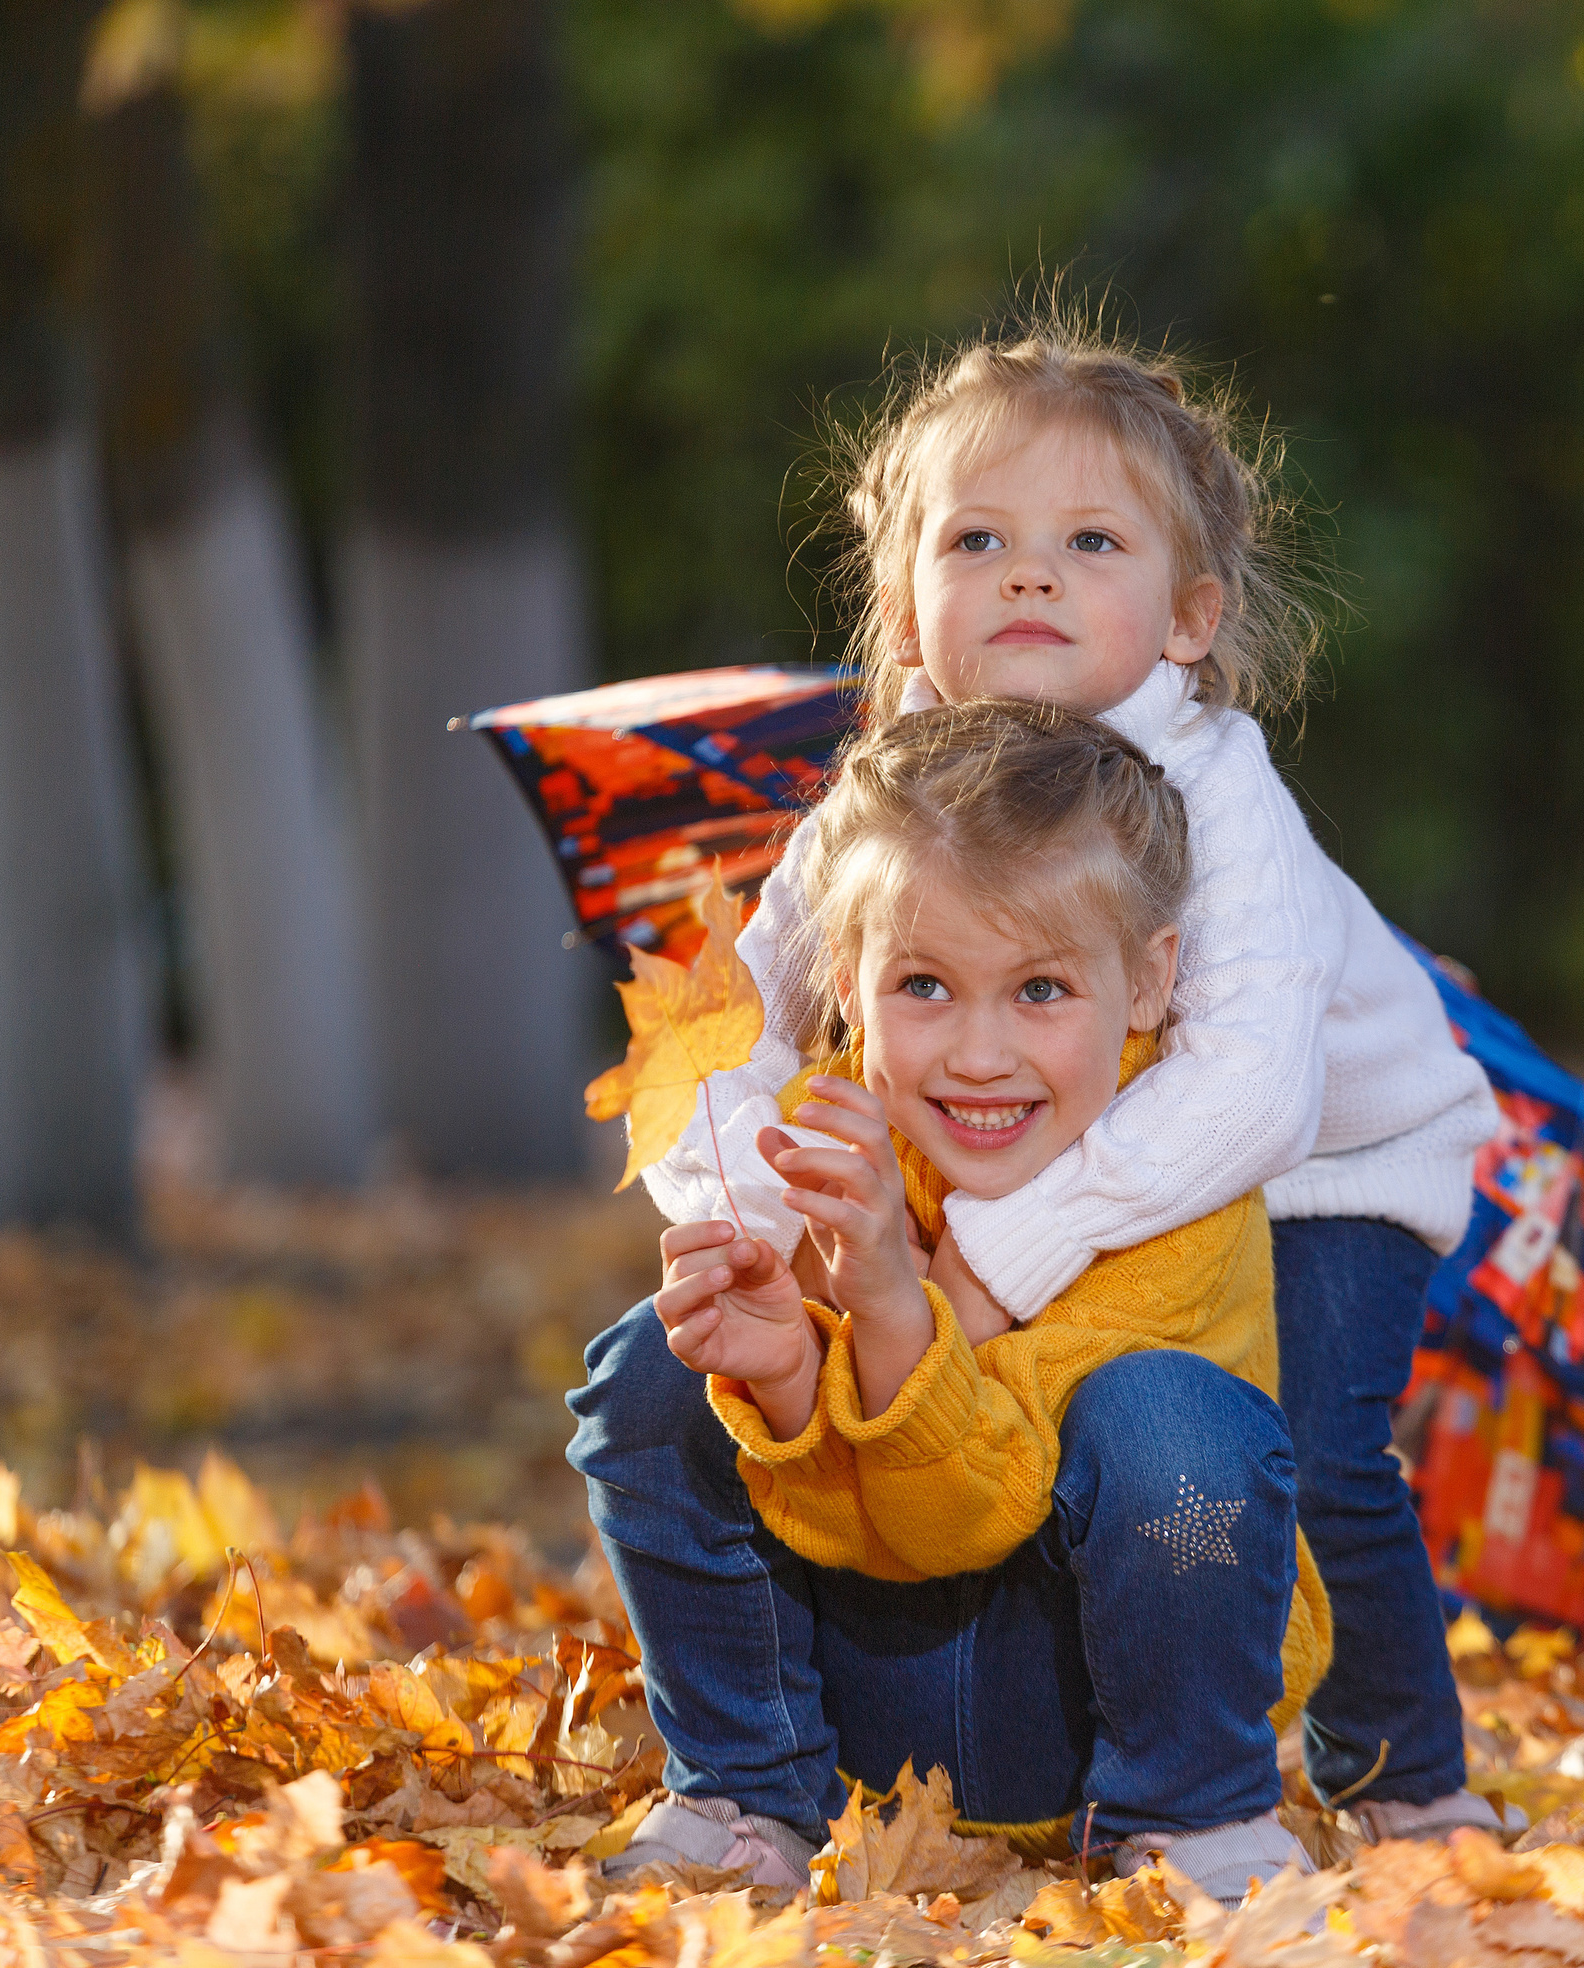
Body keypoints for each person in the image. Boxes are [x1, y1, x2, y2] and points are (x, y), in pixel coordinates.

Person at [622, 318, 1506, 1845]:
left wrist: (991, 1260)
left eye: (1090, 542)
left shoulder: (1221, 793)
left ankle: (1405, 1775)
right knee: (946, 1400)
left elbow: (1252, 1097)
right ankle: (806, 1768)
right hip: (1072, 1113)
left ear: (1189, 617)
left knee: (1308, 1447)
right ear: (906, 611)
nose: (1029, 575)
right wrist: (755, 1219)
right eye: (978, 540)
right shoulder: (887, 801)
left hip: (1329, 1153)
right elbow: (735, 1031)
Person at [570, 700, 1333, 1903]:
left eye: (1040, 991)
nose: (979, 1055)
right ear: (845, 980)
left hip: (1088, 1700)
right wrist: (780, 1376)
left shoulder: (1173, 1187)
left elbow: (963, 1519)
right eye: (923, 985)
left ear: (1146, 981)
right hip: (868, 1718)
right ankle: (747, 1794)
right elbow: (852, 1517)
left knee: (1172, 1425)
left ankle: (1193, 1816)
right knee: (655, 1371)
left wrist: (886, 1306)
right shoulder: (824, 1145)